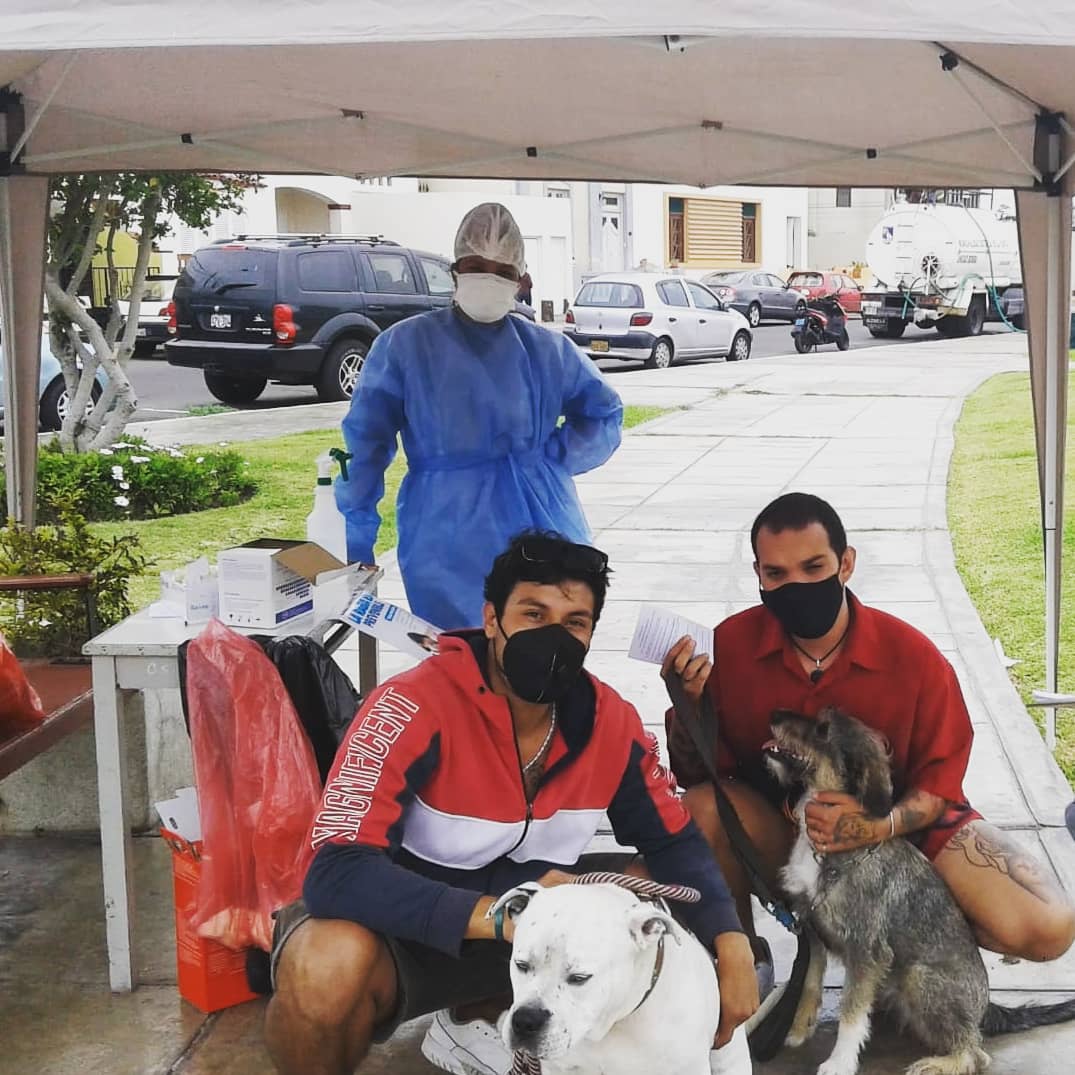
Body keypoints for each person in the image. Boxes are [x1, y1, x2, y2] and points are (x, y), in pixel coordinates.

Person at [265, 532, 758, 1075]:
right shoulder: (410, 705)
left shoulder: (609, 721)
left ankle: (480, 1016)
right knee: (325, 965)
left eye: (574, 622)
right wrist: (498, 920)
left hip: (534, 937)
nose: (554, 636)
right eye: (533, 614)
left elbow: (675, 843)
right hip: (413, 927)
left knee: (646, 899)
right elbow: (335, 872)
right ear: (491, 619)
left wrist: (730, 941)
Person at [661, 492, 1075, 982]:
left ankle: (910, 942)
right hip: (788, 833)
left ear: (846, 563)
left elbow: (939, 787)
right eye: (776, 574)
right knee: (700, 809)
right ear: (758, 574)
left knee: (1047, 926)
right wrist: (687, 705)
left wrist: (877, 827)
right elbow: (701, 775)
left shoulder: (913, 658)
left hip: (900, 834)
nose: (796, 586)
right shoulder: (728, 646)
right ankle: (740, 962)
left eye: (813, 567)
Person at [337, 202, 622, 630]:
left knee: (544, 648)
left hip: (541, 520)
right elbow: (364, 445)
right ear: (455, 271)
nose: (488, 278)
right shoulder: (404, 347)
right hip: (445, 536)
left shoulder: (548, 350)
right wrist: (354, 537)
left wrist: (549, 459)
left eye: (502, 271)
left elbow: (604, 413)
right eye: (475, 266)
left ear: (521, 280)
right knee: (461, 653)